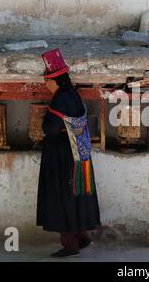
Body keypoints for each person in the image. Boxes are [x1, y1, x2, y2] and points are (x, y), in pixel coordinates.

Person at [36, 48, 101, 258]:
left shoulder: (59, 98)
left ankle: (70, 245)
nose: (46, 84)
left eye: (47, 80)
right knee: (76, 194)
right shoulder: (73, 94)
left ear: (55, 80)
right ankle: (83, 237)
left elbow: (50, 128)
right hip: (79, 154)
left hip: (62, 156)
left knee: (62, 196)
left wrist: (42, 122)